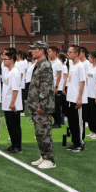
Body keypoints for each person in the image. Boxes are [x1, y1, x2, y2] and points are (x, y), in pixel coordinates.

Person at [28, 41, 56, 169]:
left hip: (42, 106)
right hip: (36, 104)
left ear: (42, 51)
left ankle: (49, 159)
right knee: (39, 132)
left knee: (44, 131)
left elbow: (45, 88)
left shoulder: (45, 65)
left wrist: (42, 105)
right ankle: (43, 155)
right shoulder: (39, 64)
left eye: (35, 49)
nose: (32, 51)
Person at [63, 44, 87, 152]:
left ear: (76, 53)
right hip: (70, 98)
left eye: (70, 52)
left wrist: (79, 98)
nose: (68, 54)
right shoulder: (72, 65)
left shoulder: (80, 66)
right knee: (72, 122)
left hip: (77, 98)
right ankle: (74, 142)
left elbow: (82, 82)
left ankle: (80, 143)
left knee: (78, 122)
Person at [1, 50, 23, 152]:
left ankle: (18, 146)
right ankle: (13, 145)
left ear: (11, 60)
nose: (3, 61)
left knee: (15, 126)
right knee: (9, 126)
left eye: (5, 59)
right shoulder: (7, 72)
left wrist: (13, 102)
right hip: (7, 103)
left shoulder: (14, 72)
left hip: (12, 103)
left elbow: (15, 89)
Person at [84, 51, 96, 140]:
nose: (89, 59)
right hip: (89, 94)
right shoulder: (91, 67)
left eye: (91, 57)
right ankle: (93, 130)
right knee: (90, 114)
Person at [48, 46, 67, 128]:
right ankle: (56, 121)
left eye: (50, 51)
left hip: (57, 88)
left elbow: (59, 75)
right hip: (52, 87)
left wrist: (56, 86)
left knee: (56, 106)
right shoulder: (52, 62)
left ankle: (58, 123)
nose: (48, 53)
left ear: (54, 52)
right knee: (52, 106)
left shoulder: (58, 62)